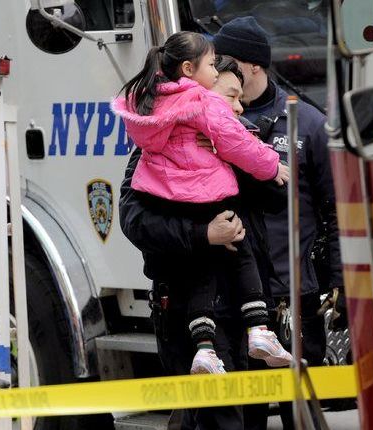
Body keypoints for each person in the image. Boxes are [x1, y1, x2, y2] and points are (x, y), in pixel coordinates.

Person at [119, 55, 289, 429]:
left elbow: (279, 199)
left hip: (240, 303)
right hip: (186, 307)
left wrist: (236, 152)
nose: (237, 107)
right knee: (213, 419)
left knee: (243, 418)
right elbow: (135, 222)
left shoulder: (241, 143)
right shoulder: (154, 154)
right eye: (227, 96)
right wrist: (203, 234)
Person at [213, 16, 345, 429]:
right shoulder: (210, 121)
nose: (216, 67)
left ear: (253, 65)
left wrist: (339, 281)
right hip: (234, 298)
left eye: (225, 59)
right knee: (243, 414)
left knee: (300, 414)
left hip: (295, 298)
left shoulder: (306, 122)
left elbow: (336, 210)